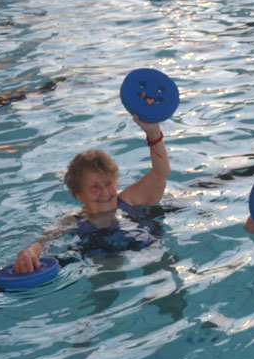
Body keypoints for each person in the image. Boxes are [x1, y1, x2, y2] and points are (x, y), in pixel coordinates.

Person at [11, 115, 172, 273]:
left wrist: (153, 134)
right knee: (104, 287)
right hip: (102, 261)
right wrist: (30, 252)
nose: (105, 192)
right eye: (95, 187)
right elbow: (44, 240)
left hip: (149, 251)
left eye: (109, 183)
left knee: (159, 275)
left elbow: (161, 173)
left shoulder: (128, 200)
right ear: (78, 193)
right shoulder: (72, 220)